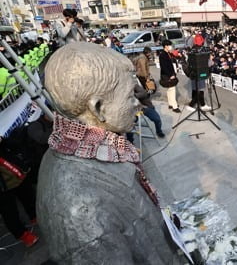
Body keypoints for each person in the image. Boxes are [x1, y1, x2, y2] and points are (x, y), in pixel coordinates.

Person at [38, 42, 177, 263]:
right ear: (98, 108)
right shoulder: (81, 210)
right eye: (129, 95)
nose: (137, 103)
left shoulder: (98, 150)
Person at [0, 135, 39, 247]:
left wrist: (3, 139)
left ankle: (35, 216)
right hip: (2, 186)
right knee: (9, 212)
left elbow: (14, 144)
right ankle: (23, 235)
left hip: (14, 171)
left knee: (28, 195)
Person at [159, 40, 181, 113]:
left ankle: (170, 104)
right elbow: (164, 66)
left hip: (168, 74)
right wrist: (170, 75)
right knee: (172, 90)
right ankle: (174, 106)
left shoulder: (167, 53)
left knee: (169, 90)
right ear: (166, 46)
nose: (170, 47)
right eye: (169, 45)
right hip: (167, 75)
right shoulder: (163, 54)